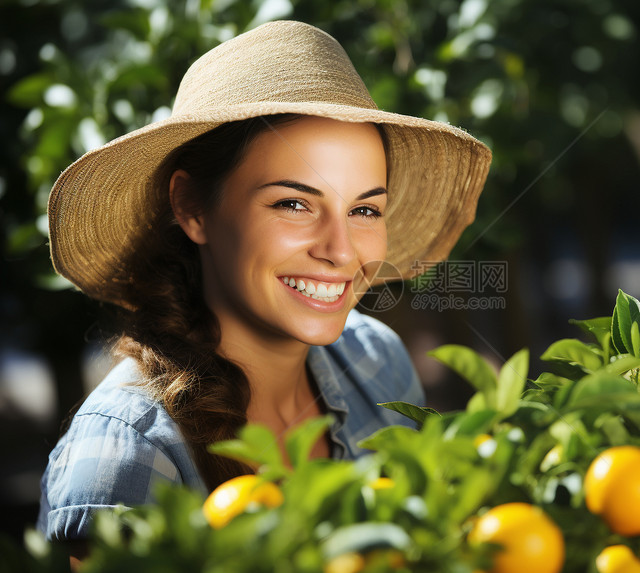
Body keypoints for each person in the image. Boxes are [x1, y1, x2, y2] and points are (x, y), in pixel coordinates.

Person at [37, 19, 491, 554]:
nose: (342, 251)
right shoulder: (129, 455)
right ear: (192, 208)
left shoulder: (378, 363)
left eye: (365, 209)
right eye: (293, 203)